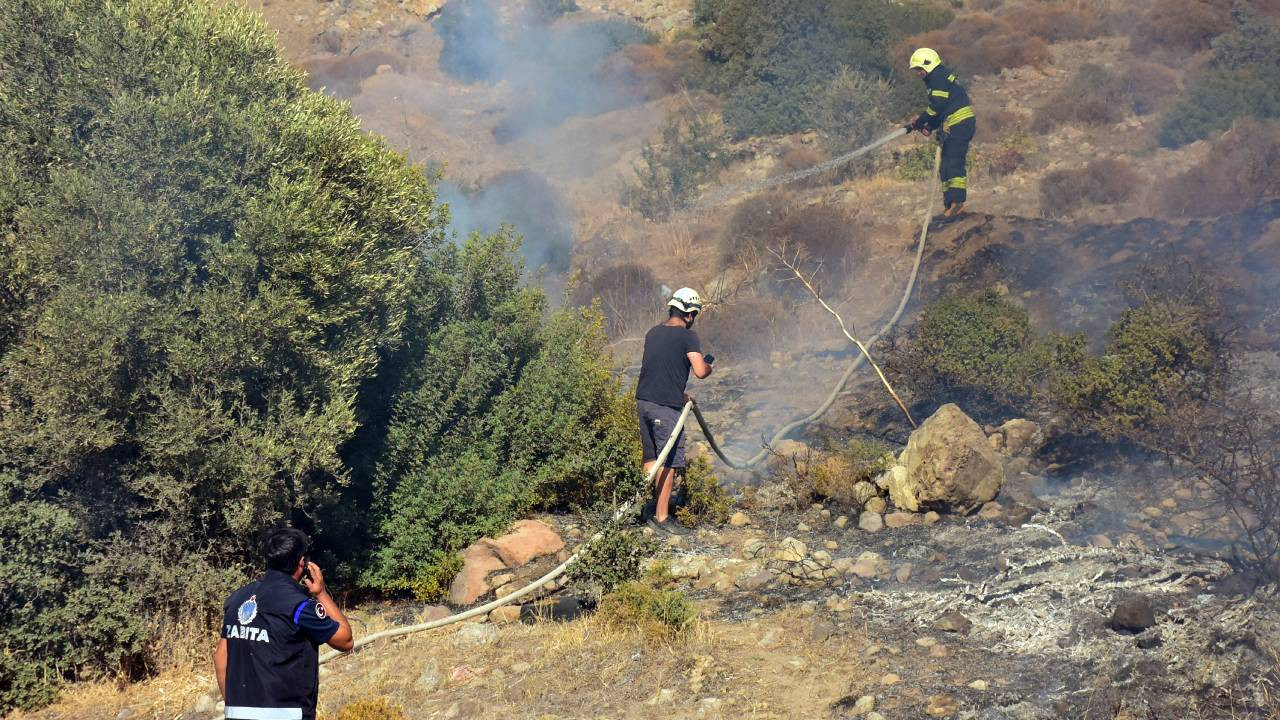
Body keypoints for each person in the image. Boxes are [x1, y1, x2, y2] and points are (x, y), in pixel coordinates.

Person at [214, 528, 354, 720]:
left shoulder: (238, 598)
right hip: (287, 714)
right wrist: (320, 593)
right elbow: (345, 641)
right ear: (302, 562)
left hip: (238, 714)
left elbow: (221, 656)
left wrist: (234, 707)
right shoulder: (299, 605)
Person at [636, 287, 714, 534]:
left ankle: (645, 508)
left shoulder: (653, 333)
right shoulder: (687, 337)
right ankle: (661, 517)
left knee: (650, 459)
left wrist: (681, 395)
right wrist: (709, 365)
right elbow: (700, 371)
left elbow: (659, 370)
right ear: (690, 314)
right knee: (668, 461)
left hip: (644, 402)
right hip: (664, 408)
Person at [905, 47, 977, 223]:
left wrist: (921, 121)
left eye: (919, 69)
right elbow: (943, 108)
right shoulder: (938, 77)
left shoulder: (937, 77)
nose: (918, 74)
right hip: (955, 123)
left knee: (953, 161)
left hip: (960, 123)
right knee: (945, 165)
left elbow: (937, 105)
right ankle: (949, 205)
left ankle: (957, 202)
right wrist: (930, 125)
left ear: (928, 65)